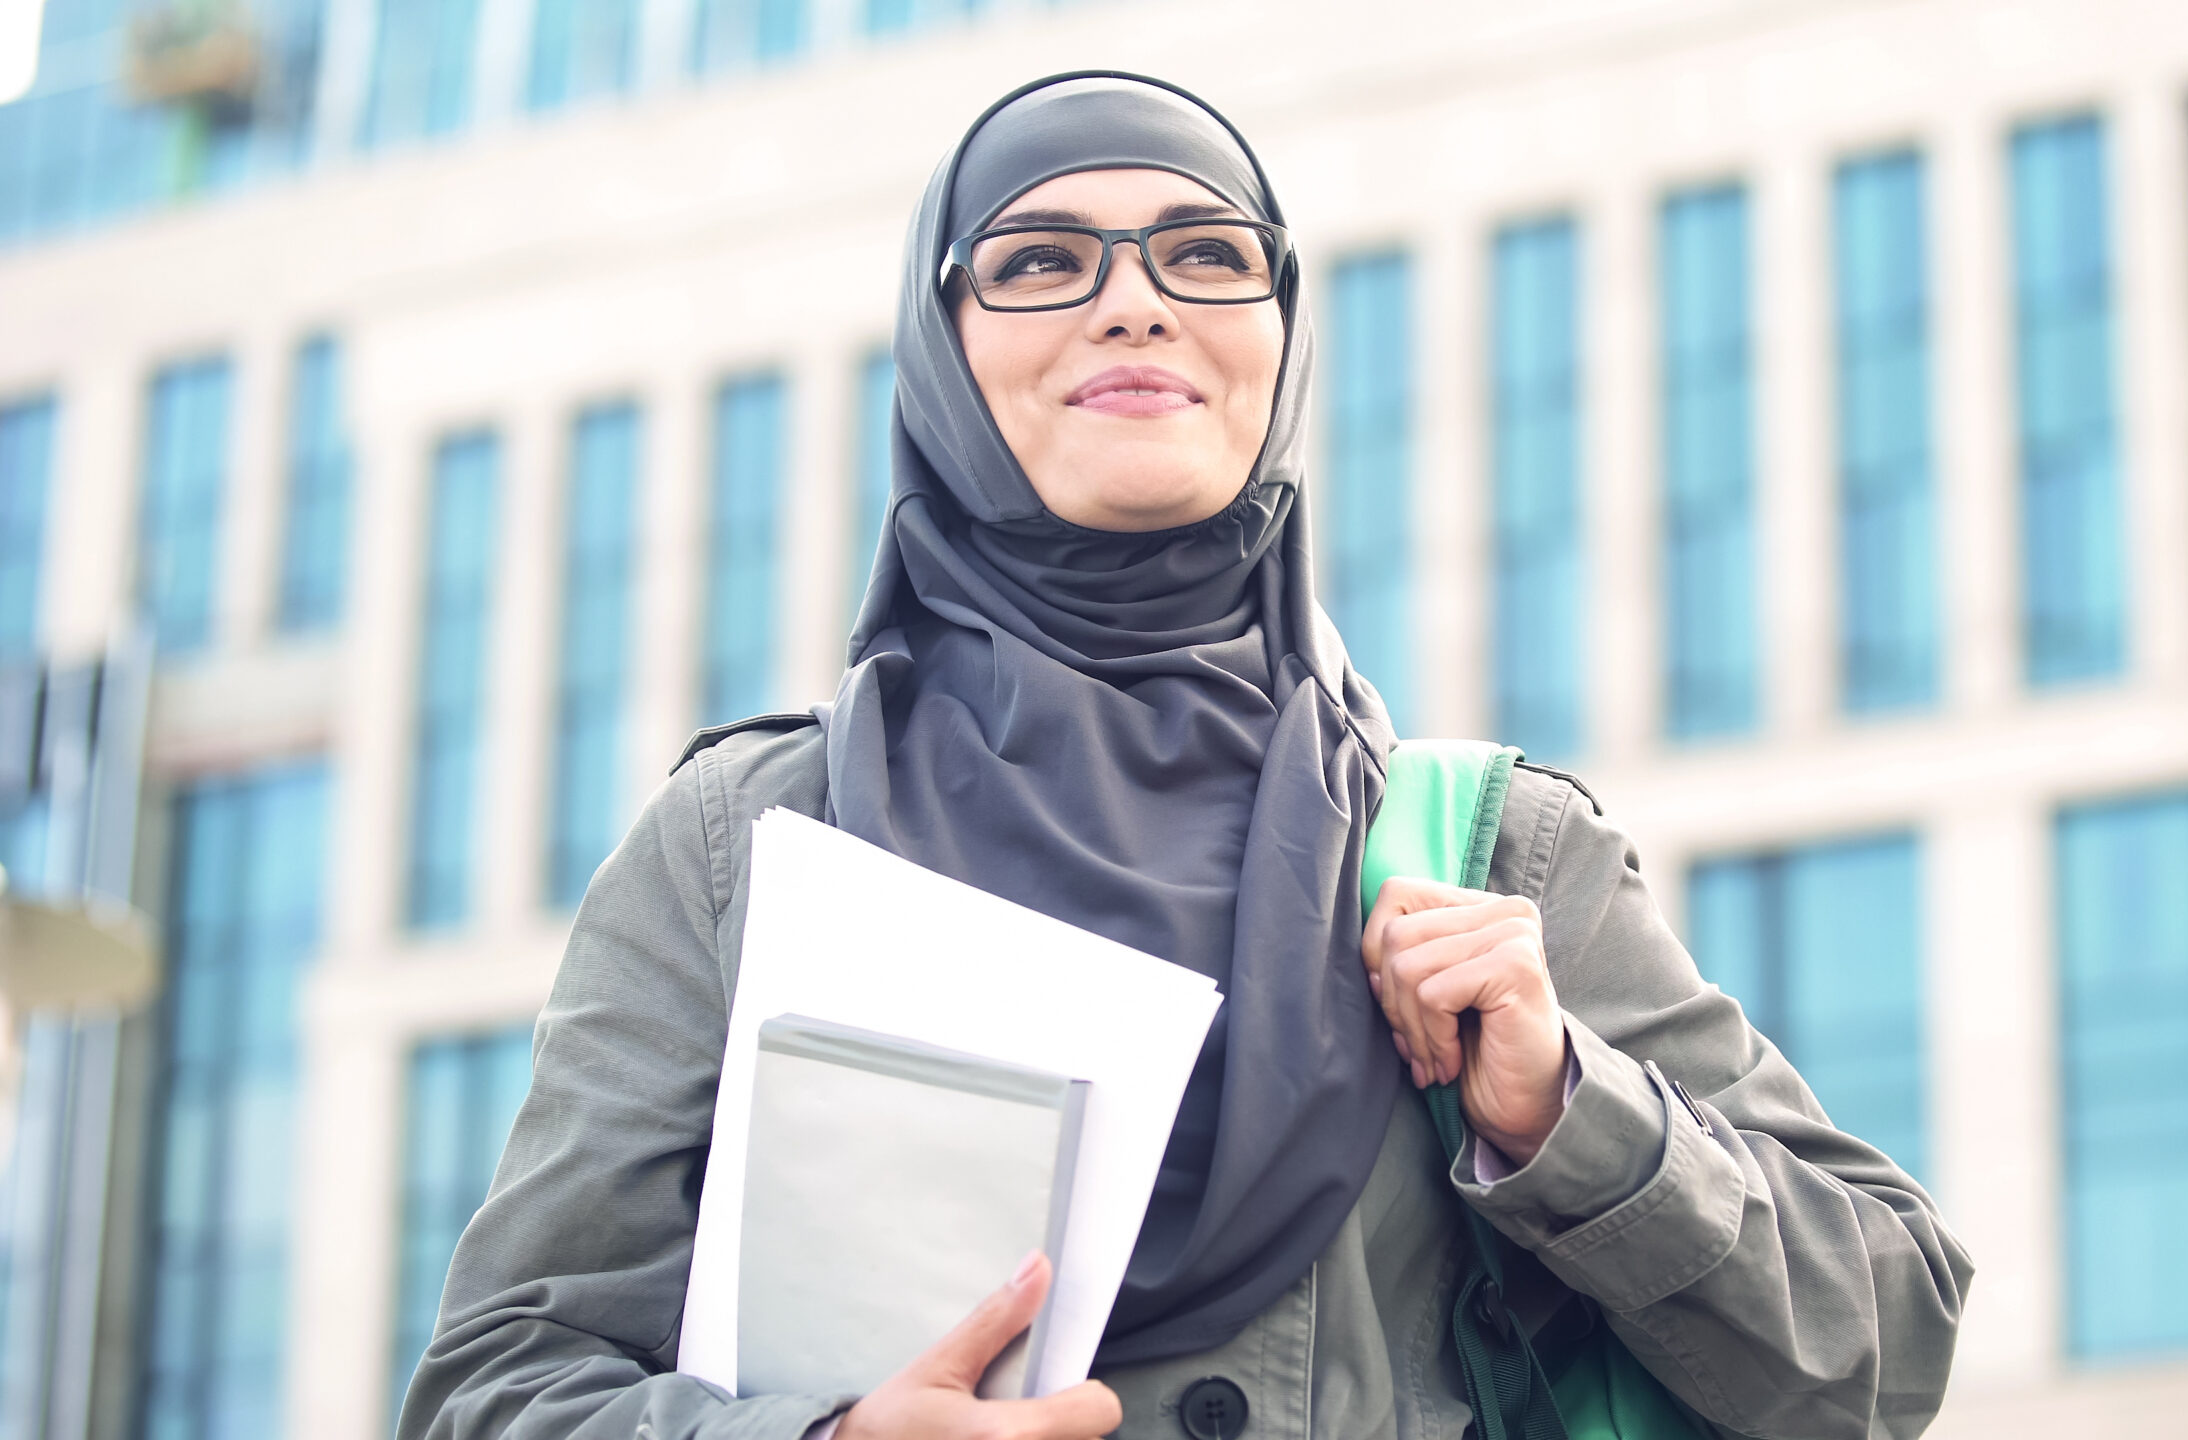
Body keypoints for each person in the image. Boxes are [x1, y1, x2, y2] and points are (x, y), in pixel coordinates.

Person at [398, 71, 1972, 1440]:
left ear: (1278, 345)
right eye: (1040, 260)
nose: (1133, 301)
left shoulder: (1489, 852)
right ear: (943, 354)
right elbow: (490, 1388)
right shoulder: (757, 840)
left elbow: (1884, 1351)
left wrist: (1566, 1107)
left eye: (1209, 255)